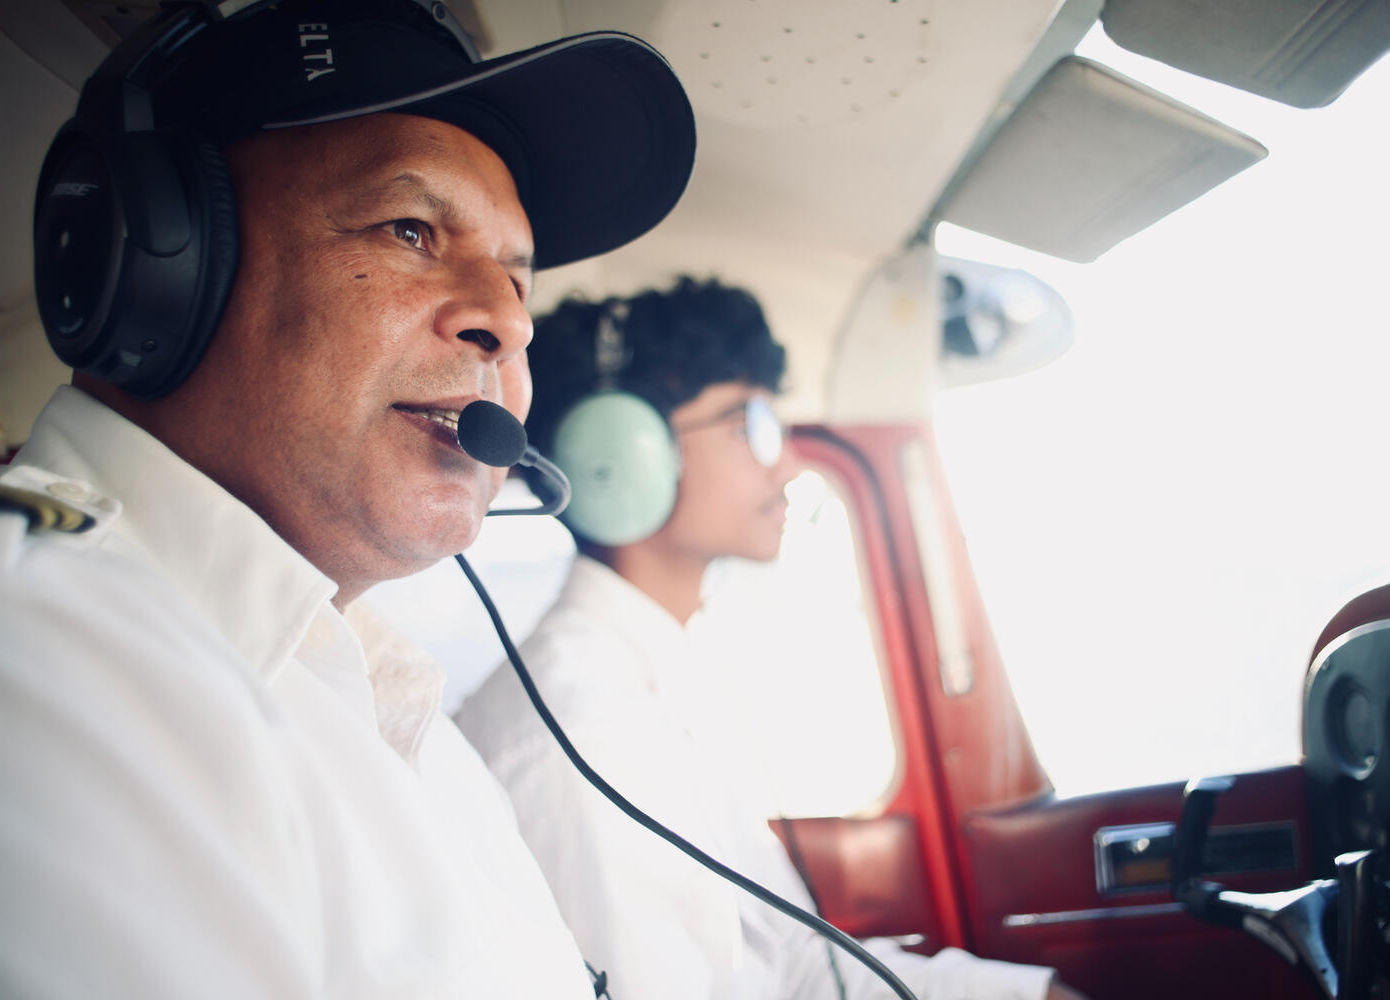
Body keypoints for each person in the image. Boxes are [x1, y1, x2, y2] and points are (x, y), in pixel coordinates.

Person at [0, 1, 694, 996]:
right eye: (411, 230)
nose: (507, 322)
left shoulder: (390, 707)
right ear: (159, 260)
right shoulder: (36, 652)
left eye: (517, 280)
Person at [455, 277, 1087, 1000]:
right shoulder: (586, 728)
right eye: (748, 423)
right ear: (624, 455)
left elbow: (797, 966)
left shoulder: (651, 675)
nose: (789, 464)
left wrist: (1029, 996)